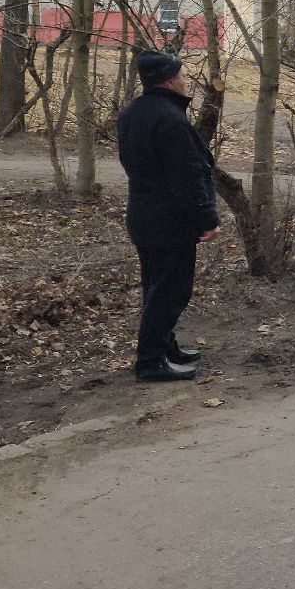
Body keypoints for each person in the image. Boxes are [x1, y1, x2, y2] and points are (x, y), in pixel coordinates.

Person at [118, 49, 220, 382]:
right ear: (168, 81)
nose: (186, 81)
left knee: (156, 286)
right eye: (183, 76)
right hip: (169, 220)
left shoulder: (132, 113)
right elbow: (186, 177)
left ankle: (165, 347)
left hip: (143, 214)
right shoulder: (171, 120)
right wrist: (206, 218)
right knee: (170, 291)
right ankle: (150, 361)